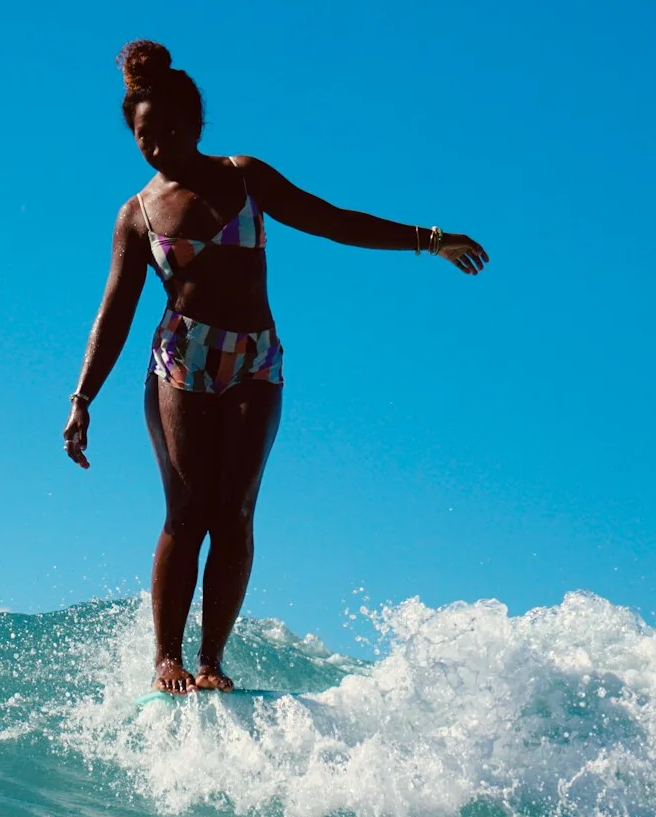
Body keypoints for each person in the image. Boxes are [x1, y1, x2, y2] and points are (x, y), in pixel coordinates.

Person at [64, 40, 488, 694]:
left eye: (169, 129)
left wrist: (425, 240)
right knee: (187, 511)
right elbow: (113, 313)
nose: (156, 144)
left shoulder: (244, 176)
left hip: (255, 358)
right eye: (144, 136)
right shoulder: (138, 215)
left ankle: (211, 662)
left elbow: (329, 220)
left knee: (233, 511)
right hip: (183, 358)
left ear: (196, 123)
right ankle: (167, 660)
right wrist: (82, 397)